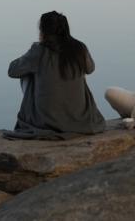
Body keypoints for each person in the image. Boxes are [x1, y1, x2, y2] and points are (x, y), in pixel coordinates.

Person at [6, 11, 106, 139]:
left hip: (46, 121)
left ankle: (38, 115)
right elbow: (90, 69)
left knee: (27, 74)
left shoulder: (39, 50)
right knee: (77, 73)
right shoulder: (79, 48)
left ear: (44, 31)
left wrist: (32, 53)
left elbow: (12, 70)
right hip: (80, 119)